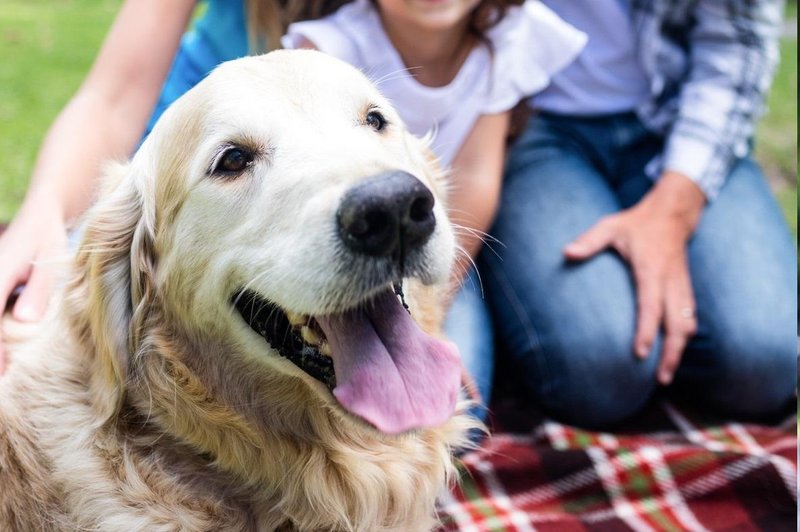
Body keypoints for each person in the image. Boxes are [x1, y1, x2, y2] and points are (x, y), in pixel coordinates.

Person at [0, 0, 586, 416]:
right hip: (191, 196)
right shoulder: (336, 38)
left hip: (369, 217)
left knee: (457, 412)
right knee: (31, 348)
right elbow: (113, 96)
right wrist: (44, 214)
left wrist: (435, 306)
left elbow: (468, 173)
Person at [454, 0, 796, 428]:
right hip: (530, 123)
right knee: (603, 373)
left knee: (763, 364)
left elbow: (738, 45)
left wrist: (672, 213)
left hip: (680, 114)